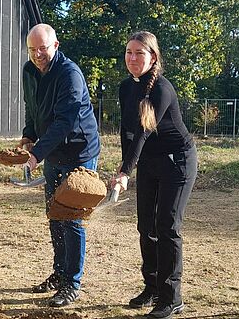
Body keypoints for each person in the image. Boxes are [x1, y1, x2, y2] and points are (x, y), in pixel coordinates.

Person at [109, 31, 197, 319]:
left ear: (153, 57)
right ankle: (153, 287)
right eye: (128, 52)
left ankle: (171, 298)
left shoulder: (162, 89)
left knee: (167, 226)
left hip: (177, 162)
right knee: (145, 226)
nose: (132, 58)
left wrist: (126, 172)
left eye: (139, 53)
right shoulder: (126, 88)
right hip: (148, 162)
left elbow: (144, 133)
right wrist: (123, 169)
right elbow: (127, 132)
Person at [20, 23, 100, 307]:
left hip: (79, 153)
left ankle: (72, 283)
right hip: (53, 153)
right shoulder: (30, 71)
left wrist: (36, 154)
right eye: (33, 49)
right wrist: (29, 136)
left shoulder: (70, 75)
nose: (38, 54)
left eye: (43, 48)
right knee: (55, 215)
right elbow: (33, 106)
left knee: (72, 219)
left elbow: (65, 121)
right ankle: (59, 273)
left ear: (56, 45)